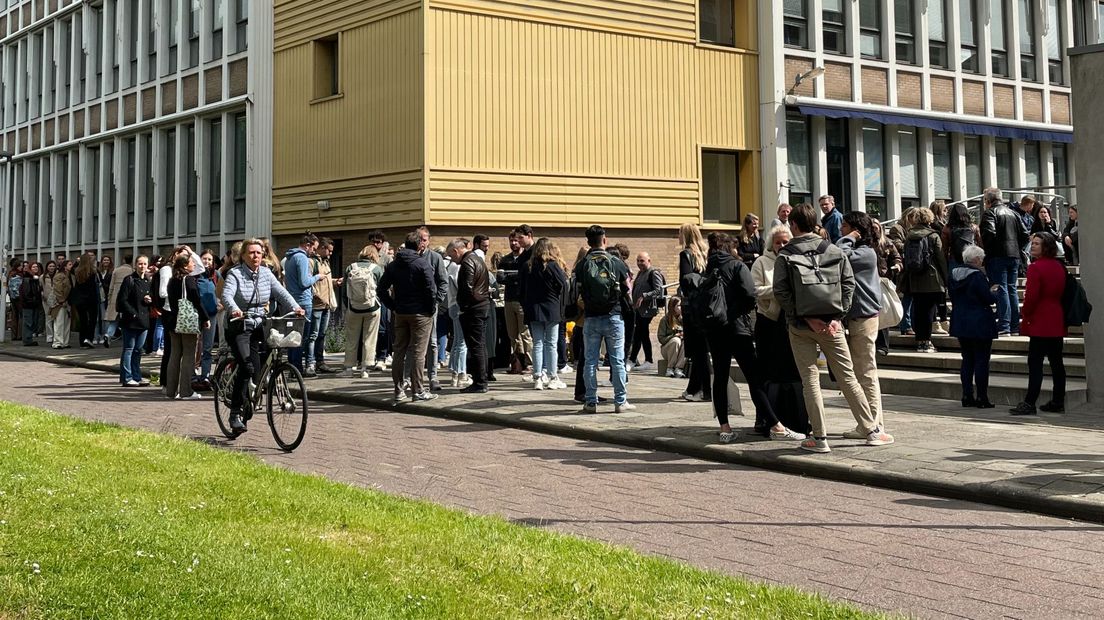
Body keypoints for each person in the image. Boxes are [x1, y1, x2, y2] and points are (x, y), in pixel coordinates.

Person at [773, 203, 892, 453]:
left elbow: (781, 292)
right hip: (833, 325)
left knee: (810, 380)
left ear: (793, 225)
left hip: (800, 326)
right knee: (849, 377)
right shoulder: (833, 250)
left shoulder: (785, 254)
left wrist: (805, 318)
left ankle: (820, 439)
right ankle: (872, 430)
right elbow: (848, 284)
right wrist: (837, 317)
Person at [704, 232, 798, 444]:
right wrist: (741, 311)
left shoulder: (708, 267)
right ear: (730, 248)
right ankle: (777, 426)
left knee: (720, 378)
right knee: (754, 378)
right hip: (737, 329)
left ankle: (724, 428)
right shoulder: (737, 266)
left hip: (714, 330)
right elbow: (749, 293)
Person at [221, 239, 305, 434]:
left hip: (260, 322)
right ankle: (235, 412)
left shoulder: (266, 273)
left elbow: (282, 293)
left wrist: (295, 307)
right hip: (239, 324)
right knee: (247, 365)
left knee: (271, 353)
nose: (256, 256)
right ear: (243, 256)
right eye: (251, 253)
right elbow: (227, 296)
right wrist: (234, 310)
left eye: (259, 253)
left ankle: (256, 390)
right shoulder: (235, 274)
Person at [753, 225, 811, 437]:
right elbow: (755, 289)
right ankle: (770, 420)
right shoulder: (761, 262)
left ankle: (797, 420)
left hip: (791, 322)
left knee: (793, 371)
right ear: (771, 244)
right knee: (771, 372)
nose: (782, 245)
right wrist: (779, 289)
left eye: (786, 241)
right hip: (769, 322)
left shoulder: (798, 258)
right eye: (778, 242)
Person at [837, 212, 889, 438]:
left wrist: (849, 238)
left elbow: (839, 253)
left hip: (864, 318)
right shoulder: (864, 251)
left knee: (866, 373)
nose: (841, 230)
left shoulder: (865, 253)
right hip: (860, 317)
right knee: (862, 372)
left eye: (845, 226)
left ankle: (874, 425)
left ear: (857, 229)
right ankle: (869, 423)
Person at [576, 225, 633, 413]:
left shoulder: (583, 264)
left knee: (590, 360)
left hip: (591, 318)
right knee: (617, 360)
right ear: (604, 240)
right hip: (613, 316)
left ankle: (591, 402)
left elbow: (578, 289)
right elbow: (627, 289)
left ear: (588, 242)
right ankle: (620, 401)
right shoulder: (616, 262)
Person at [1010, 233, 1068, 416]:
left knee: (1035, 363)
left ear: (1046, 247)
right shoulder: (1059, 266)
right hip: (1056, 317)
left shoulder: (1035, 268)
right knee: (1057, 362)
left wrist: (1025, 313)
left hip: (1041, 319)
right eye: (1032, 243)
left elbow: (1032, 297)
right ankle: (1058, 401)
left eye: (1037, 244)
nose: (1033, 246)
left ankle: (1029, 402)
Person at [379, 231, 439, 403]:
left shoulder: (394, 265)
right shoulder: (422, 264)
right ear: (419, 245)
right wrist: (429, 309)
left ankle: (398, 390)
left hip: (401, 312)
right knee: (419, 353)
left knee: (398, 351)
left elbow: (381, 289)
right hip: (420, 313)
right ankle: (418, 390)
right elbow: (431, 289)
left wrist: (394, 306)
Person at [948, 245, 997, 409]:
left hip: (961, 321)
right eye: (981, 259)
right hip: (979, 322)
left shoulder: (954, 274)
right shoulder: (977, 276)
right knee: (982, 360)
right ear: (976, 260)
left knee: (967, 359)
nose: (982, 262)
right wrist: (994, 292)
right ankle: (982, 397)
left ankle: (967, 395)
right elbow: (987, 298)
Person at [980, 187, 1029, 335]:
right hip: (1014, 256)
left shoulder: (990, 213)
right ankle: (1013, 326)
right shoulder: (1013, 213)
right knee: (1011, 289)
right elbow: (1025, 234)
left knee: (1001, 289)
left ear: (988, 200)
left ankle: (1004, 325)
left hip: (997, 256)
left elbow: (989, 234)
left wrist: (991, 251)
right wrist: (1016, 248)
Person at [900, 207, 949, 354]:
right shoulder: (933, 236)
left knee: (918, 310)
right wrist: (946, 279)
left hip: (914, 279)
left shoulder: (910, 236)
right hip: (931, 279)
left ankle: (919, 341)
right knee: (929, 311)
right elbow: (940, 259)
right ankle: (927, 342)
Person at [162, 254, 210, 400]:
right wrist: (205, 318)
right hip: (187, 321)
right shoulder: (188, 280)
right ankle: (186, 391)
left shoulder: (172, 280)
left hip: (173, 320)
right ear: (184, 266)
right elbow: (196, 300)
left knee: (174, 355)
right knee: (189, 355)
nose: (194, 265)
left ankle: (170, 391)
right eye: (191, 263)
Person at [524, 237, 568, 390]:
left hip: (534, 309)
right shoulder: (552, 265)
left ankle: (537, 377)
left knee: (537, 343)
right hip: (552, 307)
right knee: (551, 344)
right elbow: (564, 283)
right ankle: (552, 376)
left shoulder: (528, 266)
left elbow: (522, 289)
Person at [454, 237, 493, 394]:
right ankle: (481, 380)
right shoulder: (476, 259)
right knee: (479, 344)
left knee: (475, 345)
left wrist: (464, 306)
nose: (452, 258)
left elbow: (467, 287)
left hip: (474, 308)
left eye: (452, 254)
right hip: (481, 306)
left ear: (457, 251)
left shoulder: (468, 262)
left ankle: (480, 381)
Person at [677, 223, 711, 402]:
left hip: (692, 308)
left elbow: (685, 280)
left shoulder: (686, 255)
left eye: (679, 233)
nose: (678, 236)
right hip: (707, 306)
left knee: (698, 351)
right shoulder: (706, 254)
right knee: (702, 349)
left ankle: (703, 390)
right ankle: (694, 388)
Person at [342, 244, 385, 378]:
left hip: (354, 307)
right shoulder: (377, 269)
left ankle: (349, 368)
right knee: (369, 338)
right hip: (372, 308)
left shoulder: (351, 267)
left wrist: (348, 305)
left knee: (351, 338)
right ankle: (365, 369)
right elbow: (383, 289)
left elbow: (344, 291)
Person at [284, 233, 322, 372]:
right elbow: (304, 282)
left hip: (292, 301)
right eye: (314, 248)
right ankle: (298, 369)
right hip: (303, 302)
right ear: (307, 245)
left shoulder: (290, 258)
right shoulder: (302, 258)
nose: (314, 251)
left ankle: (292, 367)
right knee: (301, 338)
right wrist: (318, 276)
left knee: (292, 337)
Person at [499, 230, 533, 374]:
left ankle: (530, 363)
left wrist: (512, 277)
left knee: (525, 333)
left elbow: (524, 278)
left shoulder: (526, 258)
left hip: (521, 301)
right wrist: (514, 278)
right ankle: (517, 362)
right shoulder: (505, 260)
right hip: (508, 299)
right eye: (511, 240)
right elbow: (500, 278)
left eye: (516, 240)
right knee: (513, 335)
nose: (514, 243)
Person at [307, 237, 342, 376]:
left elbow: (324, 281)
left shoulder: (325, 262)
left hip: (326, 305)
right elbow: (309, 283)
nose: (331, 254)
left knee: (322, 335)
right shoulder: (311, 262)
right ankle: (310, 363)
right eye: (329, 250)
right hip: (316, 305)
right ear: (322, 247)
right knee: (313, 335)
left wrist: (335, 282)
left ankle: (320, 362)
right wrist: (317, 296)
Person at [116, 256, 153, 387]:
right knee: (129, 348)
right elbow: (122, 300)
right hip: (130, 321)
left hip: (143, 321)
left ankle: (137, 376)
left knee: (138, 349)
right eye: (140, 264)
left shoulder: (148, 280)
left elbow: (151, 299)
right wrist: (132, 313)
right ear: (135, 265)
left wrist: (149, 300)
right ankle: (127, 377)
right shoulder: (129, 280)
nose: (142, 266)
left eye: (145, 264)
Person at [629, 251, 664, 372]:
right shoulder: (640, 273)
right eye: (638, 261)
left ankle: (642, 360)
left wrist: (645, 296)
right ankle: (636, 359)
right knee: (640, 333)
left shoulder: (653, 273)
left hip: (648, 310)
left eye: (642, 261)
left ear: (649, 261)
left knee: (641, 332)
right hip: (639, 310)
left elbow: (659, 290)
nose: (639, 263)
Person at [888, 207, 918, 336]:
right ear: (908, 216)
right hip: (904, 267)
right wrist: (911, 243)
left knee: (911, 297)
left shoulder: (913, 228)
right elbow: (896, 244)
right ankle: (906, 324)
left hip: (912, 266)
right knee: (907, 297)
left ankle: (910, 324)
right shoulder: (897, 228)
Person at [445, 239, 470, 388]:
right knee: (462, 342)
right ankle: (461, 373)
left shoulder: (451, 267)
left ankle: (454, 373)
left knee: (456, 341)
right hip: (458, 305)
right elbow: (461, 287)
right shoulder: (457, 267)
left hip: (451, 304)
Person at [195, 250, 221, 388]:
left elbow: (222, 291)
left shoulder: (216, 275)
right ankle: (193, 375)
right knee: (194, 346)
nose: (207, 262)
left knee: (208, 347)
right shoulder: (195, 275)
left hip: (211, 314)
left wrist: (220, 303)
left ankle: (205, 376)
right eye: (204, 259)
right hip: (196, 314)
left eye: (209, 260)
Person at [103, 254, 134, 349]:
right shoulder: (132, 271)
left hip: (115, 296)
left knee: (114, 320)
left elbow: (111, 286)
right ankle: (125, 339)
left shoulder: (116, 270)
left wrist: (109, 298)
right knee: (126, 319)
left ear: (124, 260)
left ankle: (108, 334)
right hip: (127, 297)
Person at [70, 254, 101, 349]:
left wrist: (77, 261)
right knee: (92, 320)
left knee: (83, 321)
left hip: (79, 300)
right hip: (91, 299)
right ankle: (89, 339)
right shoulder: (92, 271)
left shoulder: (77, 271)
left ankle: (82, 341)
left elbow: (71, 269)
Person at [942, 202, 980, 269]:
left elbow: (945, 249)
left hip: (954, 259)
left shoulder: (947, 228)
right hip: (971, 259)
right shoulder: (974, 227)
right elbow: (980, 244)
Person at [657, 297, 685, 378]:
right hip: (668, 349)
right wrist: (674, 336)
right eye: (678, 305)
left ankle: (679, 368)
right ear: (672, 307)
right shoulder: (665, 320)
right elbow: (661, 339)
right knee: (676, 341)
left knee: (686, 342)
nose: (681, 307)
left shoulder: (683, 319)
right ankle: (670, 368)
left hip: (680, 350)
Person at [18, 263, 43, 346]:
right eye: (33, 267)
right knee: (28, 322)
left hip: (34, 304)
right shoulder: (27, 279)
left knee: (33, 321)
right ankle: (27, 339)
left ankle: (29, 338)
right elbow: (26, 292)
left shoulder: (35, 278)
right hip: (29, 304)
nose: (35, 268)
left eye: (37, 267)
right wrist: (31, 300)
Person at [50, 260, 73, 349]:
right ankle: (57, 342)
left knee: (66, 322)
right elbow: (57, 289)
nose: (71, 266)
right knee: (59, 322)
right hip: (60, 302)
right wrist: (61, 300)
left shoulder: (69, 276)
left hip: (67, 301)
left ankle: (64, 342)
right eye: (69, 264)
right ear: (65, 266)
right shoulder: (59, 276)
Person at [95, 254, 114, 345]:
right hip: (98, 296)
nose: (106, 262)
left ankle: (104, 335)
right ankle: (96, 336)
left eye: (107, 260)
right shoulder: (97, 272)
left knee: (105, 318)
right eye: (104, 260)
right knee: (97, 318)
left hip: (106, 297)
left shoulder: (112, 272)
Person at [41, 261, 57, 344]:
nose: (52, 268)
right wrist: (43, 295)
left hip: (56, 300)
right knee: (48, 318)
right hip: (46, 300)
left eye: (53, 266)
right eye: (50, 266)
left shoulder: (58, 275)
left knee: (56, 318)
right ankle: (49, 335)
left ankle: (56, 335)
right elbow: (40, 287)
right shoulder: (42, 277)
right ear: (47, 267)